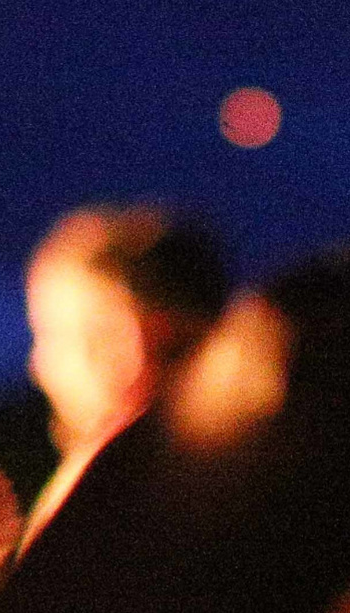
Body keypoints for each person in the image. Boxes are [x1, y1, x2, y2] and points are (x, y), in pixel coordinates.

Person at [19, 205, 229, 538]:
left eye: (56, 335)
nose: (38, 368)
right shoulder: (260, 469)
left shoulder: (105, 500)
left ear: (133, 341)